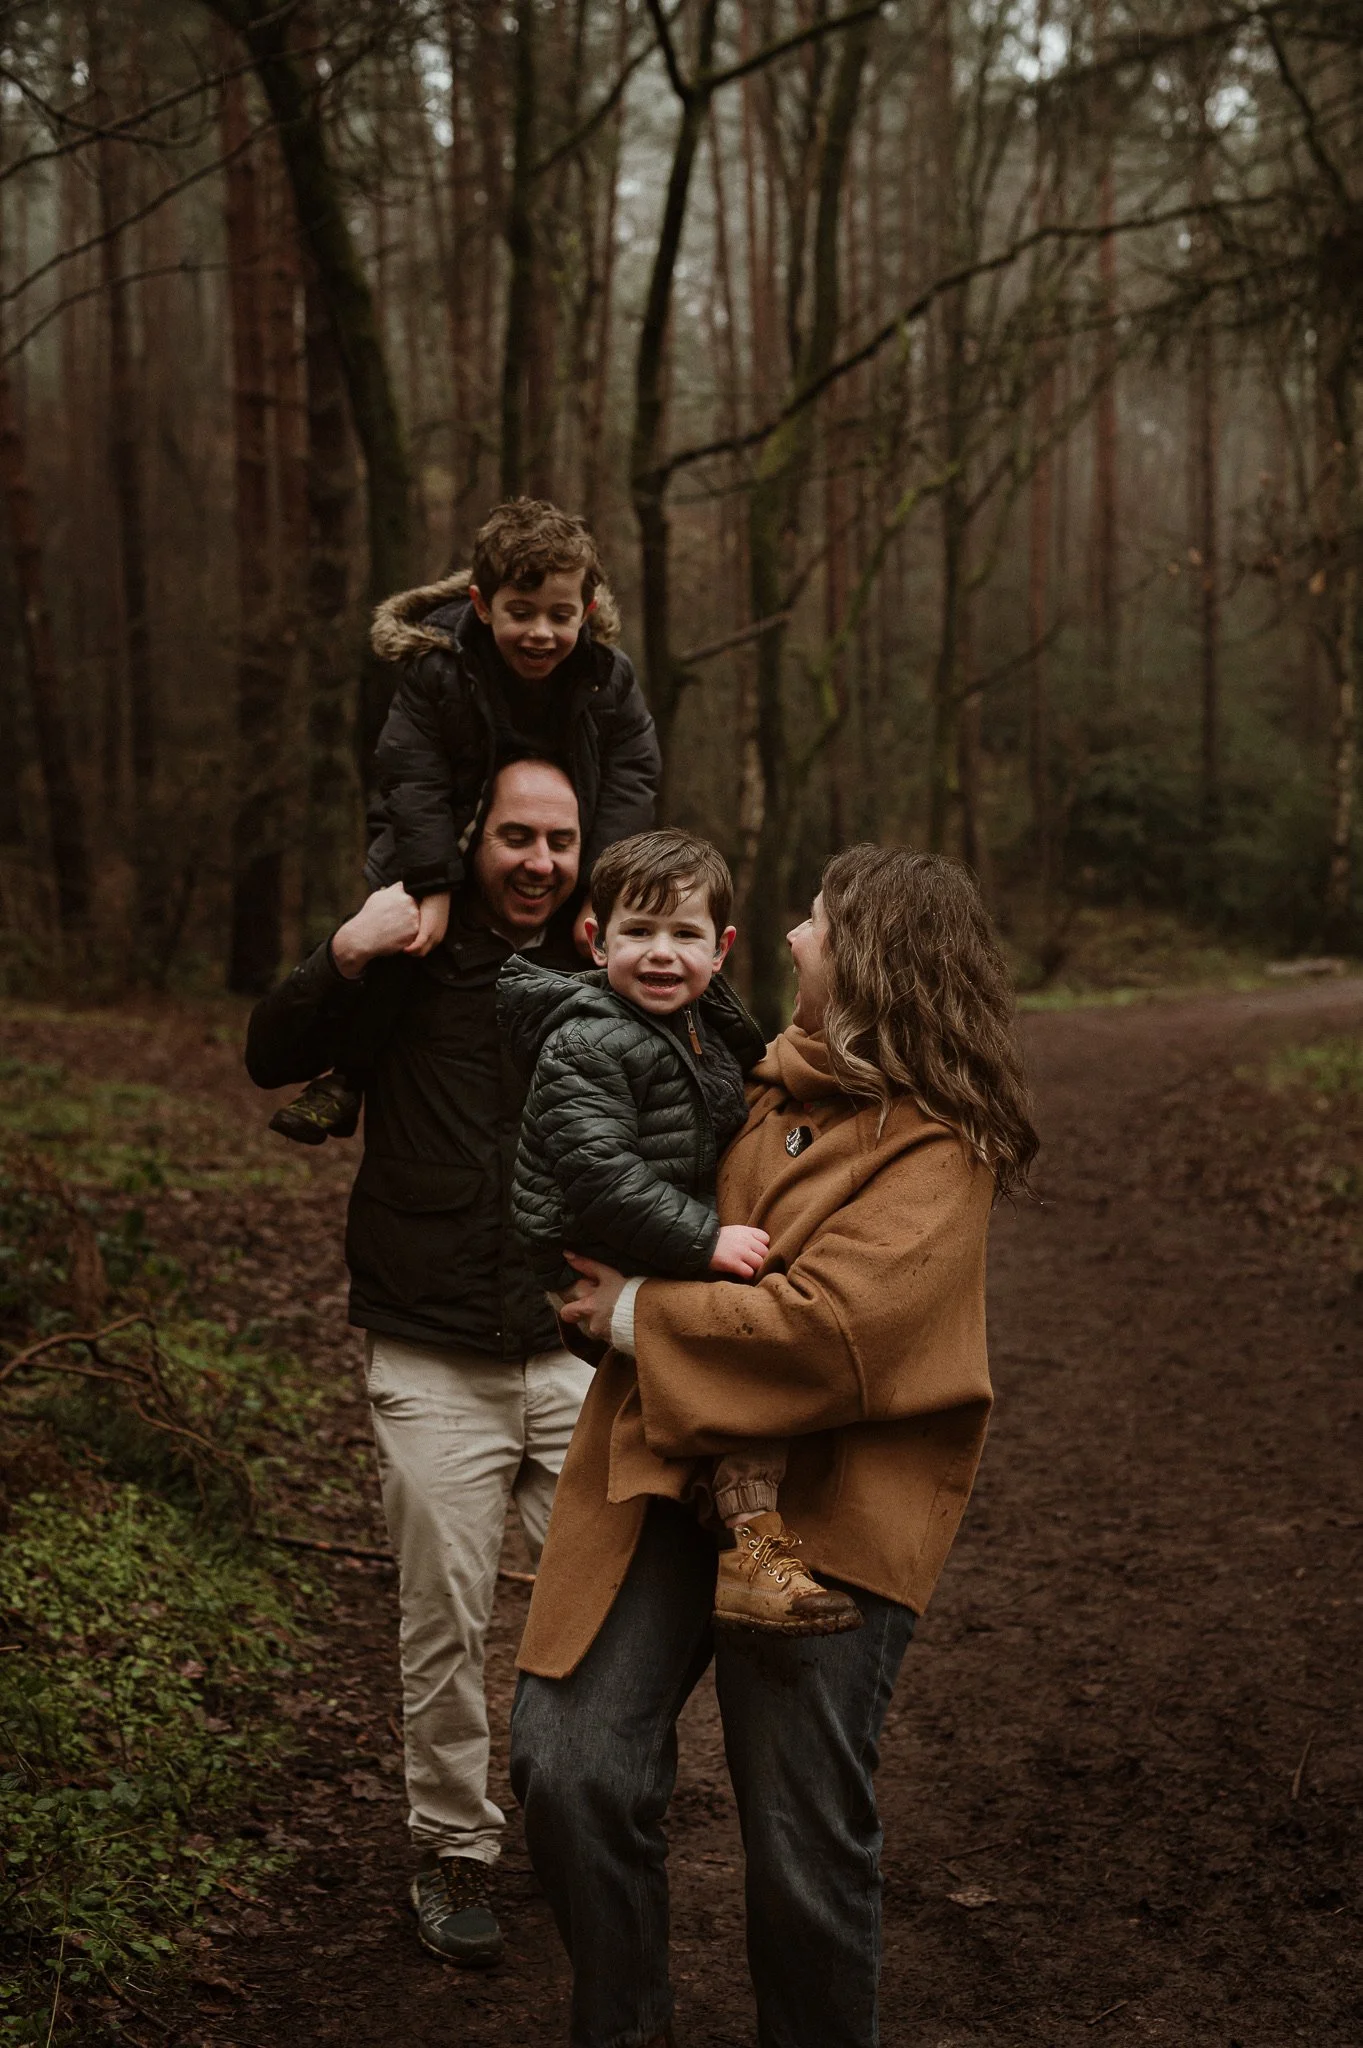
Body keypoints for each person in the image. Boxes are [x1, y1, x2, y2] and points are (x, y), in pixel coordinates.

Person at [508, 843, 1039, 2048]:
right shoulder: (738, 1077)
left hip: (826, 1517)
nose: (795, 937)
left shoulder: (940, 1144)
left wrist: (637, 1314)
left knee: (799, 1840)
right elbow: (598, 1182)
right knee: (569, 1763)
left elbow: (829, 1330)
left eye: (815, 921)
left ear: (869, 961)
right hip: (662, 1467)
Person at [245, 758, 598, 1971]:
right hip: (429, 1349)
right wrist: (344, 949)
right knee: (441, 1616)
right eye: (516, 836)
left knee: (603, 1605)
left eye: (558, 838)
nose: (538, 860)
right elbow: (269, 1050)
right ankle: (452, 1847)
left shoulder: (609, 963)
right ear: (473, 839)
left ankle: (580, 1813)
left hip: (574, 1347)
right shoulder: (403, 962)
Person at [497, 827, 863, 1636]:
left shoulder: (693, 1022)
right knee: (753, 1355)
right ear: (595, 940)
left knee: (752, 1358)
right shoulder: (585, 1039)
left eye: (684, 935)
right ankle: (755, 1557)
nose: (660, 954)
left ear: (721, 948)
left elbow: (747, 1069)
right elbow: (597, 1178)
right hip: (596, 1248)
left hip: (650, 1235)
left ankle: (737, 1533)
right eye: (638, 932)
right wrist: (705, 1241)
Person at [269, 497, 659, 1145]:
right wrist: (433, 883)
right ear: (482, 605)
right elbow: (410, 774)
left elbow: (632, 777)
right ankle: (350, 1076)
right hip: (437, 836)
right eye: (520, 613)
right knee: (406, 942)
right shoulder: (439, 670)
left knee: (593, 953)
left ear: (585, 613)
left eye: (560, 616)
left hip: (551, 845)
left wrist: (600, 879)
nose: (541, 633)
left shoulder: (605, 679)